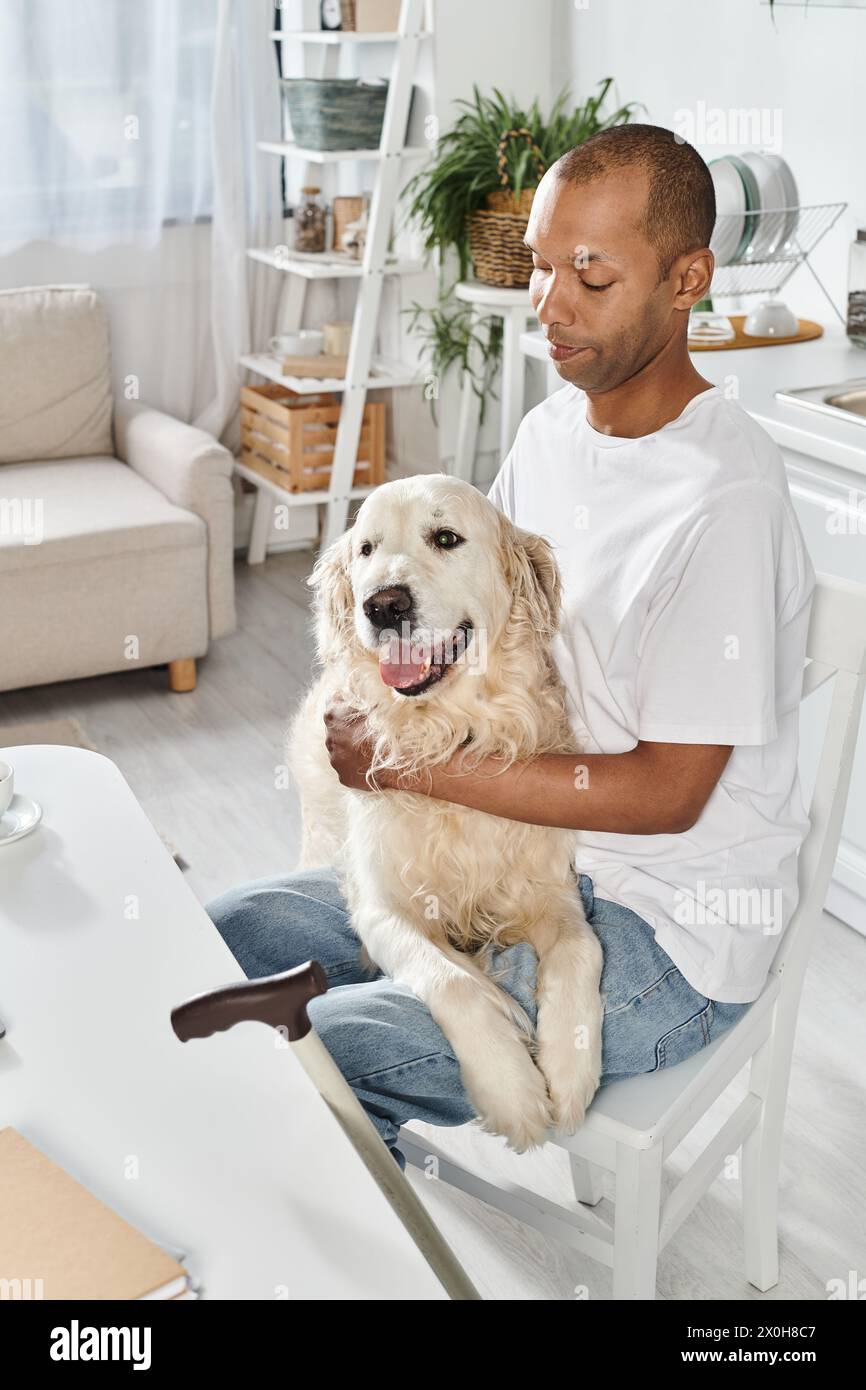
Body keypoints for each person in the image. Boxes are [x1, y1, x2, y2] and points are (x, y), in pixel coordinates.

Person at [206, 124, 815, 1172]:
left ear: (687, 280)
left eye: (590, 271)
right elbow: (464, 618)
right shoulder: (547, 434)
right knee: (220, 940)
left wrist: (411, 765)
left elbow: (666, 794)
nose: (549, 300)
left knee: (316, 1052)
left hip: (665, 934)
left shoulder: (727, 501)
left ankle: (358, 1229)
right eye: (539, 264)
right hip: (523, 860)